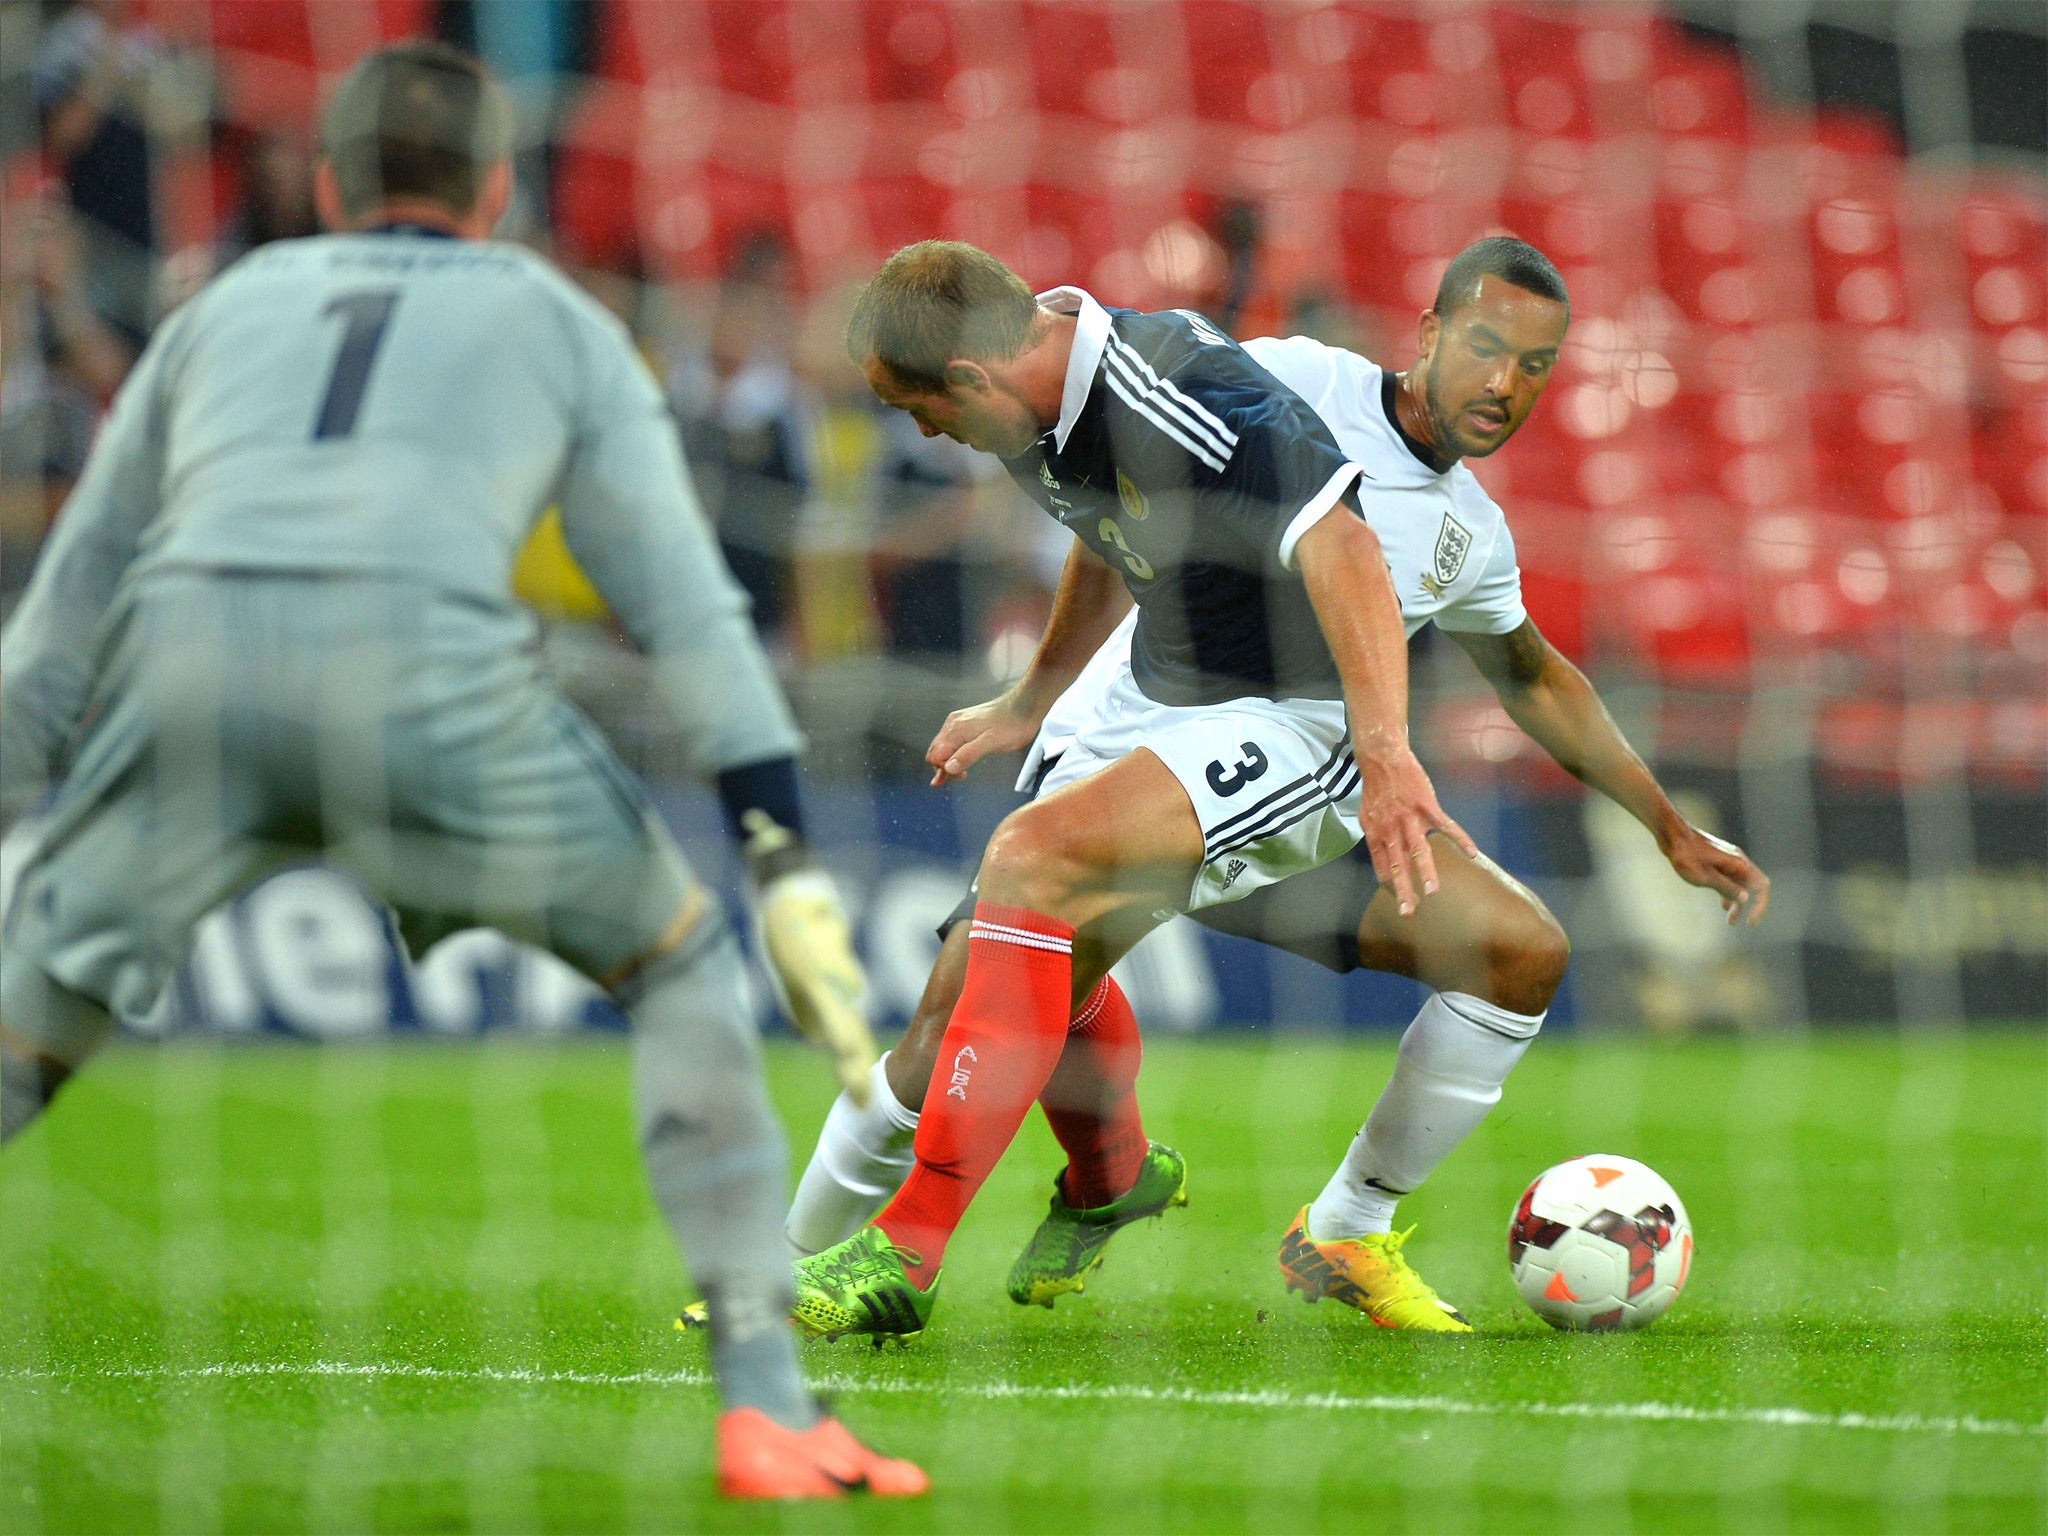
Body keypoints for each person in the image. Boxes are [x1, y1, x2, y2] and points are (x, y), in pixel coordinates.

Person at [0, 42, 923, 1501]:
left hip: (190, 670)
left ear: (325, 186)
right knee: (679, 970)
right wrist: (783, 853)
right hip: (423, 677)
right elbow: (686, 606)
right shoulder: (552, 318)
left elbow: (64, 609)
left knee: (27, 1036)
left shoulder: (223, 305)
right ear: (498, 189)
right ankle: (766, 1411)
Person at [768, 236, 1770, 1340]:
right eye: (1485, 346)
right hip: (1140, 720)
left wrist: (1661, 823)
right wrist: (1034, 697)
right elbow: (1127, 506)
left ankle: (1339, 1226)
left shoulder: (1470, 539)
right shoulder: (1282, 376)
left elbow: (1530, 675)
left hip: (1291, 754)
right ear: (1427, 332)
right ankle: (812, 1267)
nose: (1502, 384)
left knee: (1517, 954)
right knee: (953, 1013)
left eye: (1533, 366)